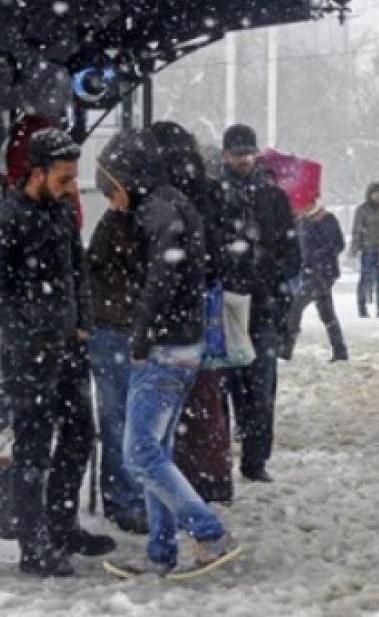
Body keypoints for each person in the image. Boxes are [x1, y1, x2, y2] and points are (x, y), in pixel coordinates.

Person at [96, 128, 240, 578]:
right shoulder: (174, 202)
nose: (111, 200)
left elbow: (161, 278)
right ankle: (161, 553)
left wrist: (140, 335)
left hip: (164, 346)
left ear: (126, 179)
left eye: (110, 189)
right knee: (157, 450)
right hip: (183, 343)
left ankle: (210, 533)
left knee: (139, 452)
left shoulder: (157, 210)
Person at [0, 129, 114, 577]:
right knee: (33, 452)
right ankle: (32, 543)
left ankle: (62, 525)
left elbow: (76, 268)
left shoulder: (60, 211)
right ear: (35, 173)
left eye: (72, 178)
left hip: (69, 348)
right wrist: (29, 333)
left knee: (79, 438)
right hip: (31, 356)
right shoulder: (5, 221)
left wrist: (83, 324)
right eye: (62, 179)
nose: (70, 187)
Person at [150, 121, 233, 505]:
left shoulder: (160, 200)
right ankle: (212, 475)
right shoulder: (208, 192)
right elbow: (221, 253)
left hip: (171, 317)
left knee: (170, 404)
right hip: (202, 311)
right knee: (206, 395)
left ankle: (181, 475)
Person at [219, 124, 301, 483]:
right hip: (228, 302)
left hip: (262, 302)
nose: (243, 160)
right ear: (226, 155)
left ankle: (255, 457)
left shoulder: (273, 198)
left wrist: (268, 274)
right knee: (231, 384)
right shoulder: (214, 195)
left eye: (247, 153)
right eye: (238, 153)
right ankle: (230, 450)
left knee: (261, 386)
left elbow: (292, 254)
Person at [86, 162, 149, 534]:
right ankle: (125, 498)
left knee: (119, 420)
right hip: (117, 328)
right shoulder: (123, 225)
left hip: (116, 327)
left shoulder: (120, 223)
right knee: (121, 420)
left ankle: (125, 496)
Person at [287, 197, 349, 362]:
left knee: (296, 306)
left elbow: (338, 244)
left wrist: (318, 256)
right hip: (309, 272)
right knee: (326, 312)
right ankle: (340, 350)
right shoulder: (302, 221)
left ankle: (285, 347)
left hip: (322, 273)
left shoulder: (326, 219)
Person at [350, 182, 379, 321]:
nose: (378, 196)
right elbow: (357, 230)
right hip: (368, 249)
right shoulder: (362, 210)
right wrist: (355, 248)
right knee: (365, 279)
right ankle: (362, 307)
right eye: (376, 193)